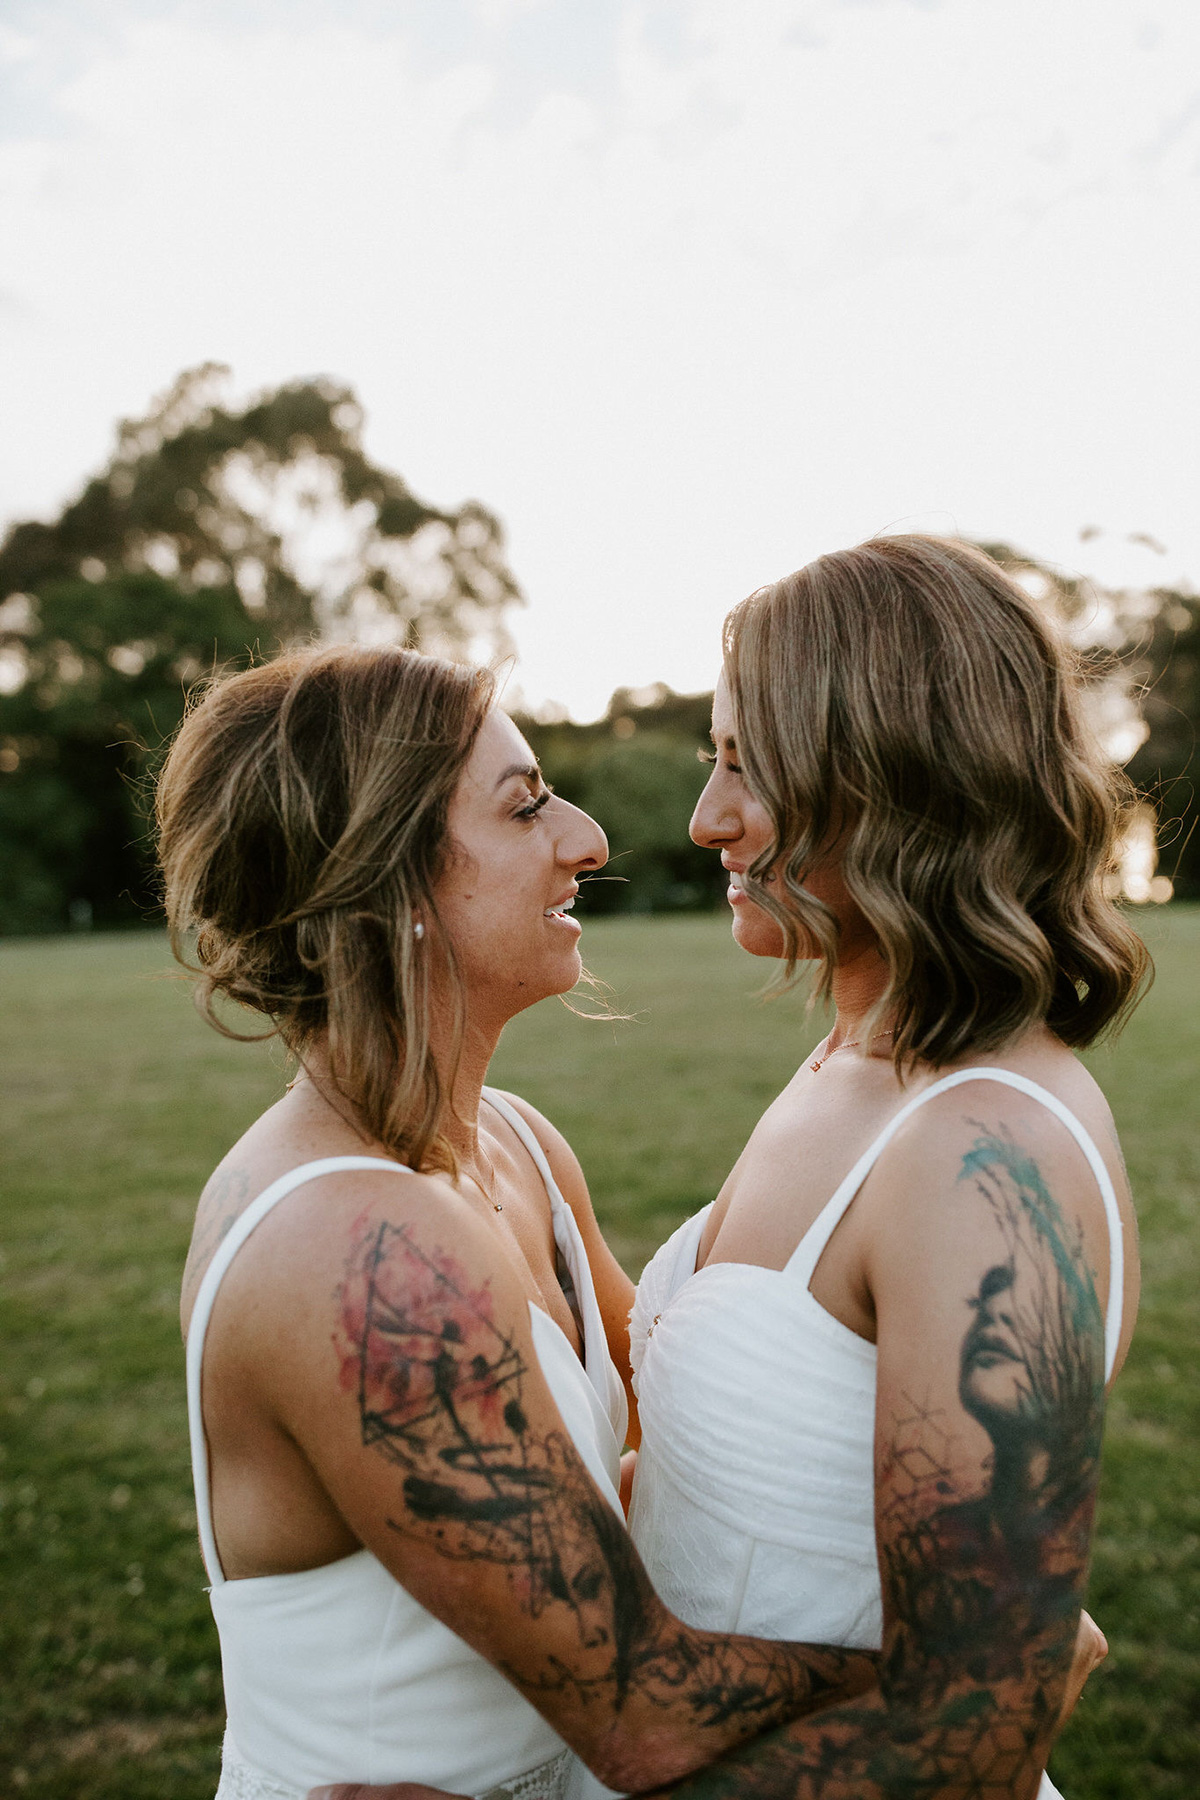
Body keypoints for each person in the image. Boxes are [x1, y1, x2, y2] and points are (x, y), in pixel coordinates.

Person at [323, 535, 1138, 1800]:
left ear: (901, 776)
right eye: (716, 758)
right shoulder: (850, 1067)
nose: (706, 816)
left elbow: (970, 1742)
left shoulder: (991, 1150)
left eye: (748, 767)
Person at [159, 645, 881, 1800]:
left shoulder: (520, 1144)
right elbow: (642, 1707)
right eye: (526, 806)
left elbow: (670, 1462)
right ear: (386, 882)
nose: (589, 840)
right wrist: (983, 1663)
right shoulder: (356, 1253)